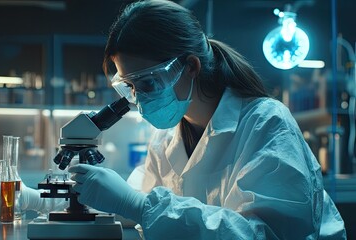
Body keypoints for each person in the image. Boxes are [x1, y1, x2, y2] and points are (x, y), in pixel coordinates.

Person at [69, 0, 348, 239]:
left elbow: (265, 234)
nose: (139, 98)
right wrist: (45, 202)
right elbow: (131, 205)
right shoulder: (167, 137)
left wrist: (140, 206)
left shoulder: (266, 123)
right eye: (130, 87)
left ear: (190, 66)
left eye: (149, 83)